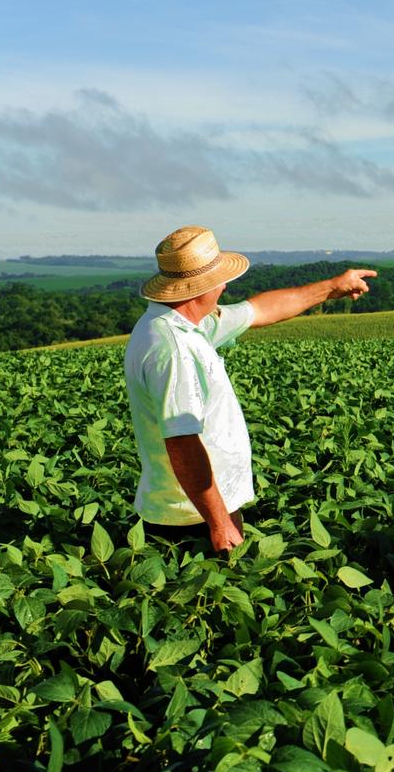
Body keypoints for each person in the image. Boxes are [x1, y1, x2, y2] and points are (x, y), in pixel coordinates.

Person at [124, 225, 376, 552]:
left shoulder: (185, 325)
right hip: (190, 522)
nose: (225, 284)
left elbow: (259, 310)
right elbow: (182, 443)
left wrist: (331, 288)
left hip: (197, 510)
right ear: (200, 287)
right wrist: (219, 523)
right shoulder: (173, 347)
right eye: (218, 279)